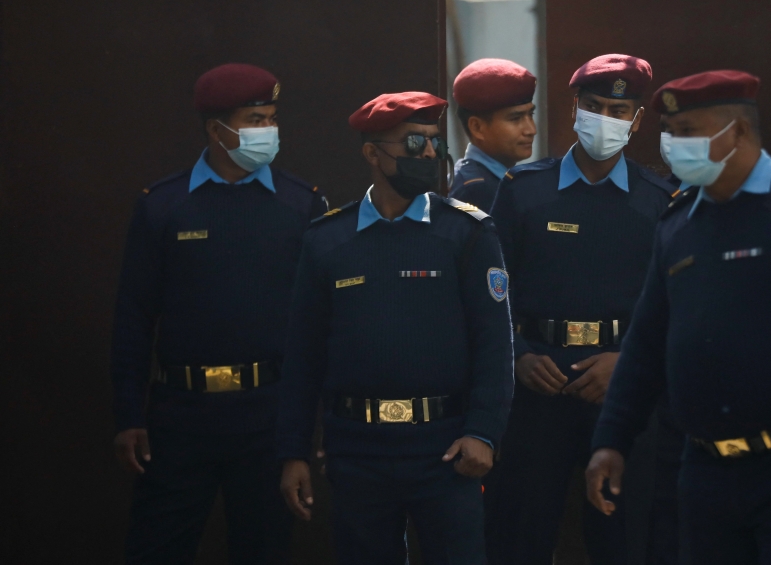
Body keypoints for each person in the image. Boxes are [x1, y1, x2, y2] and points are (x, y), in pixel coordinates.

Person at [586, 70, 771, 565]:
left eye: (690, 133)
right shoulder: (678, 225)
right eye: (672, 133)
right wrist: (612, 441)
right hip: (705, 468)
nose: (674, 146)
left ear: (739, 133)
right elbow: (646, 343)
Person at [276, 92, 514, 565]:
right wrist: (293, 451)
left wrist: (483, 433)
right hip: (358, 451)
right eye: (412, 142)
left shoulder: (466, 234)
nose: (427, 154)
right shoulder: (328, 240)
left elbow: (494, 345)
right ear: (372, 153)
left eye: (433, 143)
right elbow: (304, 355)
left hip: (445, 450)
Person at [110, 63, 328, 564]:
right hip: (179, 415)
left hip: (265, 415)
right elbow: (134, 317)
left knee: (264, 548)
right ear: (216, 130)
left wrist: (306, 428)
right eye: (254, 120)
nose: (267, 132)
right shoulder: (164, 207)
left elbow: (318, 325)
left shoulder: (301, 206)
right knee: (157, 548)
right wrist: (128, 414)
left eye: (271, 118)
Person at [484, 54, 679, 565]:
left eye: (619, 110)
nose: (604, 120)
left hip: (621, 396)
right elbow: (488, 297)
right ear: (574, 109)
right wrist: (520, 355)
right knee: (519, 538)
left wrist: (626, 362)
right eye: (593, 106)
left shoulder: (659, 200)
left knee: (623, 540)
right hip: (537, 389)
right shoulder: (525, 191)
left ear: (636, 121)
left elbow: (675, 307)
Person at [449, 58, 537, 211]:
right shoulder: (477, 191)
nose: (531, 130)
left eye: (531, 114)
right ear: (477, 127)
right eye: (515, 118)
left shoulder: (487, 180)